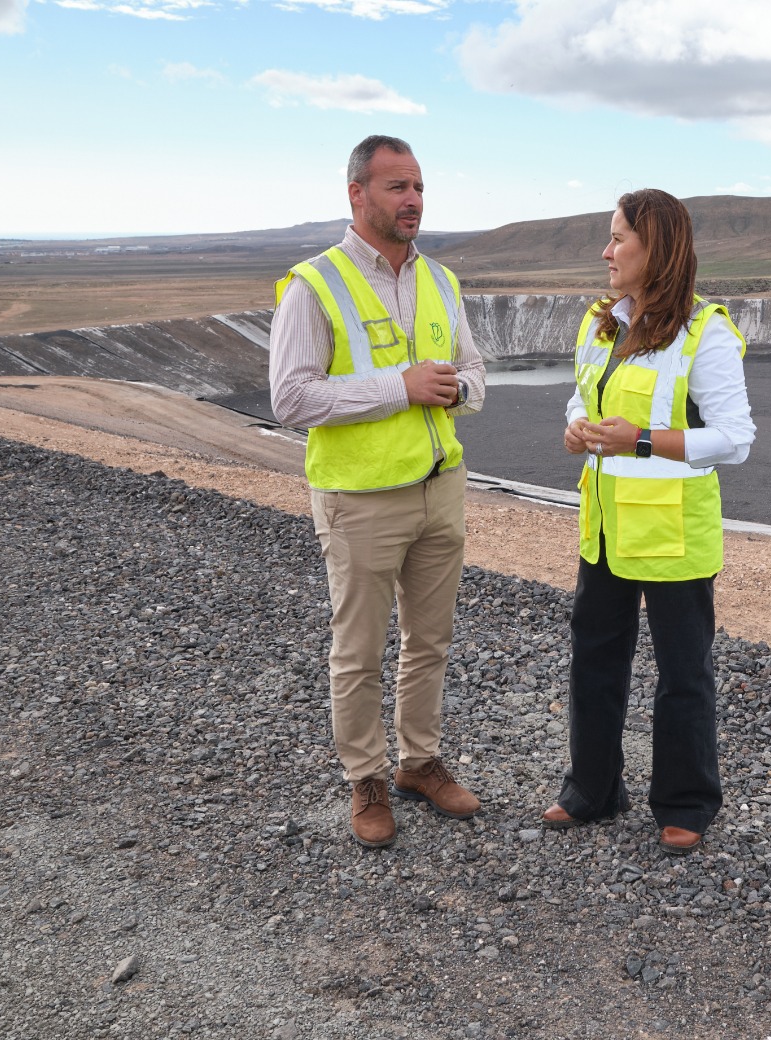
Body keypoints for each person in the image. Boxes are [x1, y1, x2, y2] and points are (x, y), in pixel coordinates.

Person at [269, 135, 487, 849]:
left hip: (439, 488)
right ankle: (364, 778)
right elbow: (292, 398)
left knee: (431, 640)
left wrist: (457, 389)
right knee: (358, 650)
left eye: (419, 186)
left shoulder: (442, 280)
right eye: (397, 187)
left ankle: (418, 763)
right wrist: (401, 387)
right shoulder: (314, 284)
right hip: (359, 501)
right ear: (356, 194)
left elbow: (475, 376)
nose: (414, 200)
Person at [542, 189, 756, 855]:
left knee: (681, 672)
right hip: (605, 527)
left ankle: (686, 802)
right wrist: (577, 428)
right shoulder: (601, 323)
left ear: (655, 248)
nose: (606, 252)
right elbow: (584, 392)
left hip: (673, 533)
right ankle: (593, 791)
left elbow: (736, 438)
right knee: (595, 658)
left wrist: (640, 440)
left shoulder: (705, 334)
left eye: (618, 239)